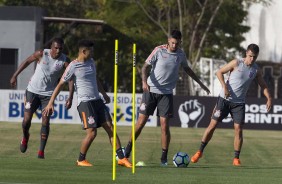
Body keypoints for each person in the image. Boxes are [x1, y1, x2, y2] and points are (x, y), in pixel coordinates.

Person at [124, 30, 210, 166]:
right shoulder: (158, 50)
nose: (174, 45)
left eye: (177, 43)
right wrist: (144, 82)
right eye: (172, 43)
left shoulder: (181, 54)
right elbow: (145, 67)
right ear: (168, 40)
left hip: (167, 94)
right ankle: (126, 153)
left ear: (180, 42)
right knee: (140, 123)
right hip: (151, 91)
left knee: (164, 126)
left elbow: (187, 69)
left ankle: (163, 159)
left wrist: (200, 84)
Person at [43, 39, 132, 167]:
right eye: (91, 51)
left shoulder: (91, 62)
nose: (93, 53)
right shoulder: (73, 66)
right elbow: (60, 84)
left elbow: (95, 79)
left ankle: (121, 158)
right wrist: (51, 102)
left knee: (111, 128)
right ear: (84, 51)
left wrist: (104, 94)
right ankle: (81, 159)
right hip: (85, 103)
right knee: (92, 133)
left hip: (97, 101)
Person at [190, 43, 272, 166]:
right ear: (246, 53)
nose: (252, 59)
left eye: (254, 57)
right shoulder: (236, 63)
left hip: (239, 104)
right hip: (224, 100)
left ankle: (236, 159)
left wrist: (269, 98)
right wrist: (225, 87)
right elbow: (219, 72)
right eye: (250, 56)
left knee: (238, 129)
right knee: (212, 125)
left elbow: (263, 85)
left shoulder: (256, 70)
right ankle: (200, 151)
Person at [10, 37, 73, 159]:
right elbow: (27, 62)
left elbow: (70, 78)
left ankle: (41, 152)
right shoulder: (41, 54)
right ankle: (25, 136)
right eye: (56, 48)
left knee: (45, 121)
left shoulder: (65, 61)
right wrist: (15, 75)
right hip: (32, 91)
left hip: (48, 95)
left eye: (60, 48)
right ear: (51, 47)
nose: (58, 50)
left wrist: (70, 96)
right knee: (26, 120)